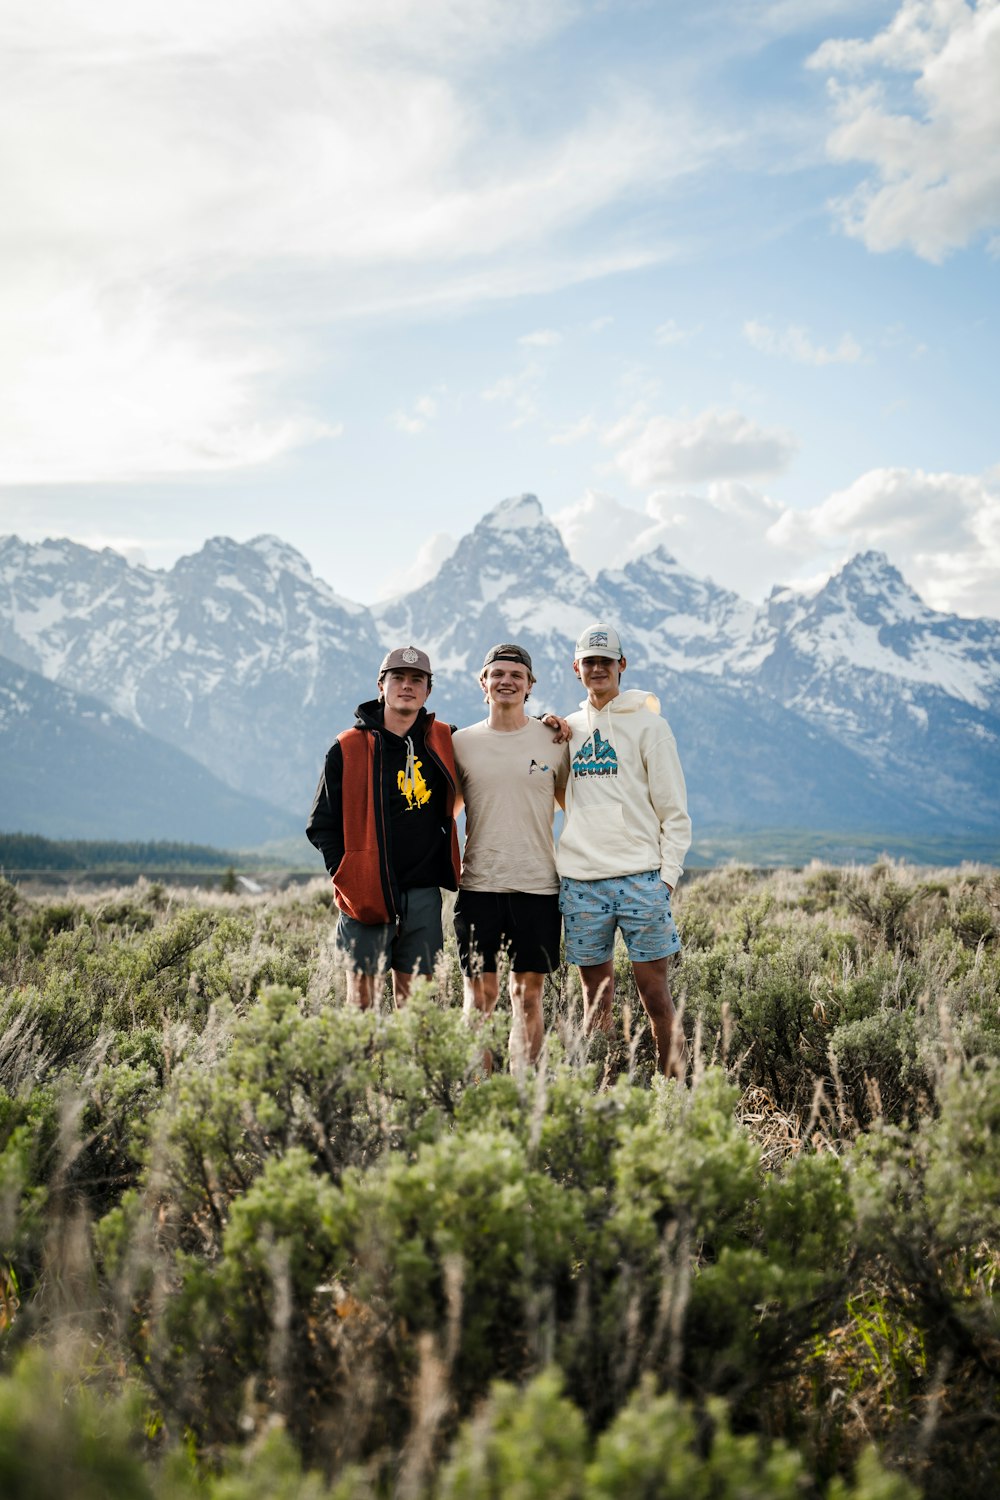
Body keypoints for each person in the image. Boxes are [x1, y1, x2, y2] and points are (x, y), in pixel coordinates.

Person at [557, 623, 691, 1075]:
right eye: (589, 662)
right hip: (582, 885)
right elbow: (559, 792)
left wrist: (666, 878)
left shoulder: (651, 727)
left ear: (621, 666)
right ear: (577, 668)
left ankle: (673, 1095)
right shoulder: (566, 730)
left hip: (641, 881)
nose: (598, 669)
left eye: (606, 661)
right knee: (596, 1004)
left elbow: (674, 812)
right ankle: (605, 1092)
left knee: (656, 998)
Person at [306, 645, 460, 1008]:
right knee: (362, 1006)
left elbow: (498, 734)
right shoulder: (348, 747)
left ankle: (406, 1066)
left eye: (416, 680)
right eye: (398, 678)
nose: (407, 686)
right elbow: (321, 824)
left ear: (428, 690)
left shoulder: (443, 739)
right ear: (381, 684)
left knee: (418, 1009)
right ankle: (366, 1068)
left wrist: (548, 720)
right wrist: (348, 874)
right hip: (365, 895)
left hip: (422, 894)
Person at [452, 644, 570, 1070]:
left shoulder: (554, 740)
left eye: (516, 675)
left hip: (537, 887)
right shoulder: (460, 743)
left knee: (528, 996)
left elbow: (572, 806)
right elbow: (445, 814)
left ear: (530, 686)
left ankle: (526, 1097)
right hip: (478, 887)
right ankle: (477, 1094)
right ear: (483, 683)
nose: (507, 681)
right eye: (497, 673)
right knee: (478, 996)